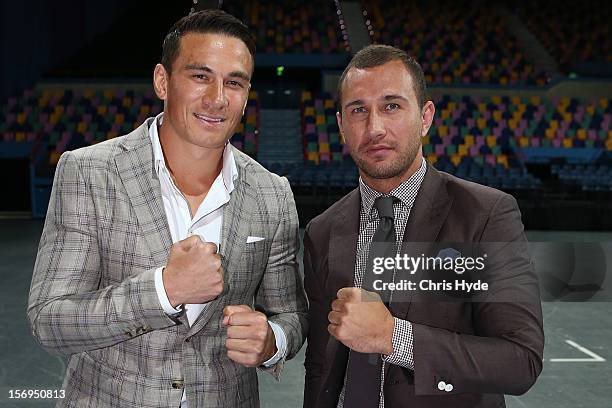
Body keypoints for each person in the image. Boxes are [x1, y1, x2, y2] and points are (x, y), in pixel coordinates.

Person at [27, 9, 307, 408]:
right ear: (162, 80)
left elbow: (291, 315)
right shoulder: (89, 172)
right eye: (200, 77)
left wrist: (271, 341)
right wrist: (163, 291)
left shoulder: (273, 193)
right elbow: (50, 320)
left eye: (234, 82)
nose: (217, 98)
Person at [303, 44, 544, 408]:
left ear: (426, 116)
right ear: (341, 125)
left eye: (391, 106)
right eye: (358, 111)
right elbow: (321, 365)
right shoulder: (322, 231)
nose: (374, 128)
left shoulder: (484, 215)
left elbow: (519, 360)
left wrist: (392, 337)